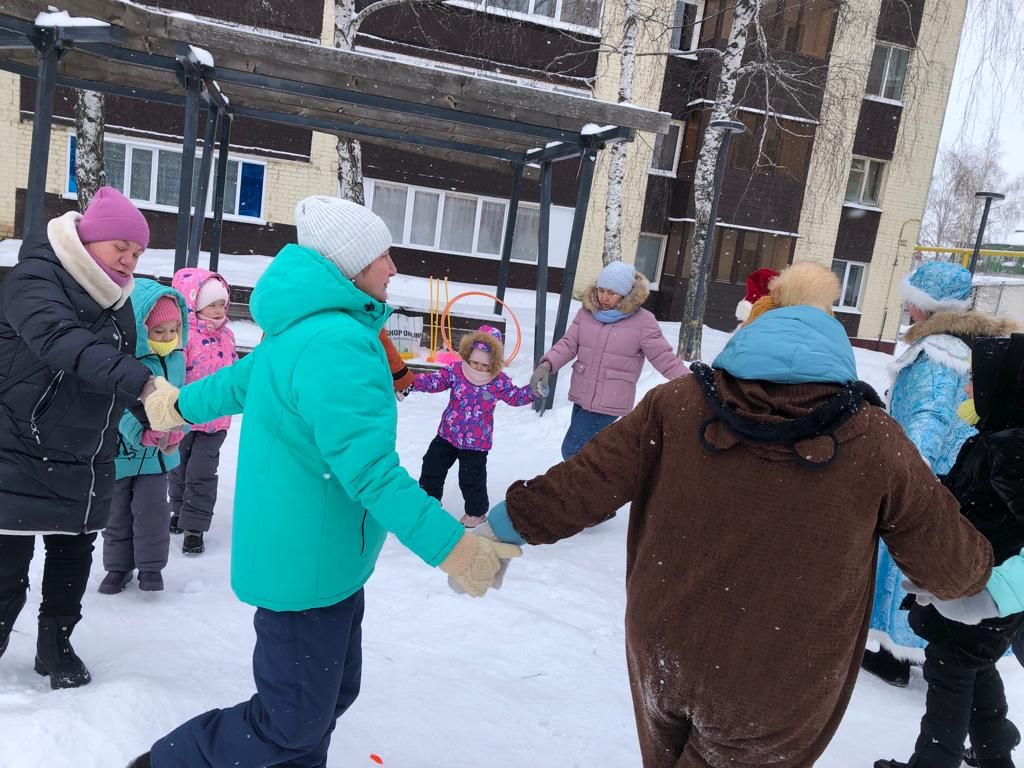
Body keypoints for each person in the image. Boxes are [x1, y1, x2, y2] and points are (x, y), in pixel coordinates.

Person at [481, 262, 993, 768]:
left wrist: (500, 528)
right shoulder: (874, 441)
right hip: (779, 678)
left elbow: (584, 480)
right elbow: (952, 566)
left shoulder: (677, 406)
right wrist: (993, 576)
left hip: (664, 647)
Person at [129, 196, 520, 768]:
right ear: (350, 265)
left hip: (327, 557)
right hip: (302, 565)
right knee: (292, 721)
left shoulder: (307, 331)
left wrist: (176, 406)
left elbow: (237, 381)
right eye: (383, 255)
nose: (393, 267)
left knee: (327, 700)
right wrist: (457, 549)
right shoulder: (334, 343)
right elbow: (371, 472)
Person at [0, 187, 155, 688]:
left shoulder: (116, 296)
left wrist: (148, 412)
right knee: (7, 565)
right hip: (20, 444)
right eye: (122, 249)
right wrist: (142, 384)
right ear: (89, 241)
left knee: (72, 559)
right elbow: (59, 341)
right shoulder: (35, 278)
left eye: (137, 253)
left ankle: (56, 645)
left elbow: (111, 368)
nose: (130, 261)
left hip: (88, 453)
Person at [867, 261, 1018, 686]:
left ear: (924, 306)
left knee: (906, 562)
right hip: (964, 480)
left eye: (910, 300)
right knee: (942, 561)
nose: (906, 306)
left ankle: (899, 654)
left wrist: (905, 473)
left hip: (931, 478)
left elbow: (928, 420)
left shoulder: (936, 355)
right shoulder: (972, 348)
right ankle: (932, 654)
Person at [876, 333, 1024, 768]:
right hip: (979, 584)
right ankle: (995, 750)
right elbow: (971, 496)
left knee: (950, 669)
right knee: (975, 664)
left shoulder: (1013, 447)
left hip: (981, 585)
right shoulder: (996, 434)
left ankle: (935, 759)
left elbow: (998, 516)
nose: (965, 388)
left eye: (974, 379)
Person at [529, 260, 689, 460]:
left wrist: (689, 382)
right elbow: (568, 344)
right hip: (582, 394)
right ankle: (601, 485)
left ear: (626, 294)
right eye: (601, 290)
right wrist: (547, 365)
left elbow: (663, 357)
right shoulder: (587, 313)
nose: (604, 297)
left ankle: (580, 489)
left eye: (612, 293)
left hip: (610, 399)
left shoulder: (643, 321)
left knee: (572, 450)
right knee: (590, 452)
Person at [99, 282, 189, 595]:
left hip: (158, 458)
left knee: (152, 513)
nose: (166, 338)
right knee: (118, 515)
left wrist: (178, 431)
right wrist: (141, 433)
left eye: (172, 330)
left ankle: (151, 568)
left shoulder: (177, 361)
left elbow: (183, 404)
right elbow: (116, 406)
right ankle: (117, 567)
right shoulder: (125, 364)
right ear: (139, 330)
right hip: (122, 453)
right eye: (158, 332)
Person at [412, 325, 536, 527]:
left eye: (484, 365)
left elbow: (516, 397)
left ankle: (476, 513)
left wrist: (534, 390)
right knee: (432, 467)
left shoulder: (498, 382)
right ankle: (429, 503)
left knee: (471, 479)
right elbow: (435, 381)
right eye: (474, 362)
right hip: (447, 434)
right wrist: (411, 381)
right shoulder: (456, 371)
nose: (477, 368)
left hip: (476, 443)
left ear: (494, 363)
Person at [168, 267, 238, 556]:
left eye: (223, 304)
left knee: (202, 471)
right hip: (184, 416)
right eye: (213, 305)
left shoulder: (228, 335)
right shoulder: (184, 336)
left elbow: (234, 371)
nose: (220, 310)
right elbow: (174, 372)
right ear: (195, 305)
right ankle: (179, 509)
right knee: (178, 467)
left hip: (215, 420)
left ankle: (195, 526)